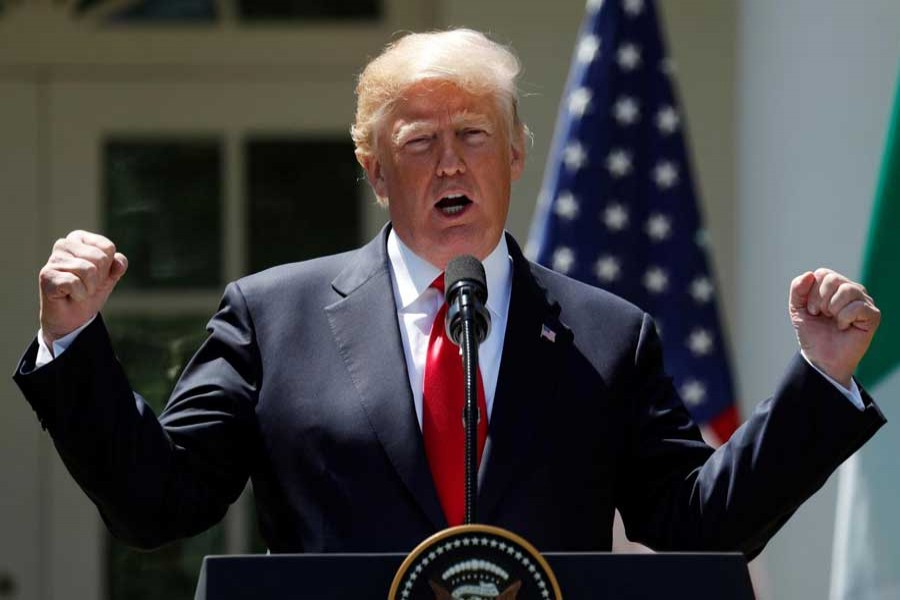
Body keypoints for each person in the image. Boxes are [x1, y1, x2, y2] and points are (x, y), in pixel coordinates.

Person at [14, 29, 885, 557]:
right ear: (375, 172)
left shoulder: (607, 333)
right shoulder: (271, 318)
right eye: (420, 141)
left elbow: (701, 525)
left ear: (515, 156)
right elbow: (157, 505)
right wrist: (75, 344)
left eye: (474, 134)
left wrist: (822, 380)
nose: (451, 162)